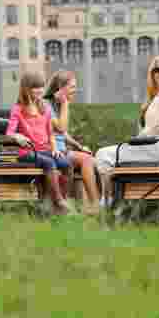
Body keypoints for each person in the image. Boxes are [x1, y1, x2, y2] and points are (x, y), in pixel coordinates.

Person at [94, 55, 159, 206]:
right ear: (152, 73)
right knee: (109, 154)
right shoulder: (157, 96)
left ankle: (106, 203)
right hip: (154, 145)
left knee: (103, 155)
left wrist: (137, 140)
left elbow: (157, 125)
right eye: (158, 70)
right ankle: (114, 199)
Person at [5, 70, 72, 215]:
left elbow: (50, 133)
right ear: (26, 89)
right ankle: (59, 202)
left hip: (45, 150)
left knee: (66, 163)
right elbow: (9, 133)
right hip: (27, 153)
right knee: (49, 163)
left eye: (42, 87)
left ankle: (62, 199)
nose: (40, 90)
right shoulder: (18, 109)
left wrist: (54, 148)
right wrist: (17, 137)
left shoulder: (45, 108)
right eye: (36, 87)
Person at [44, 70, 100, 214]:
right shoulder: (45, 105)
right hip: (51, 150)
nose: (75, 90)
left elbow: (62, 133)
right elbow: (61, 127)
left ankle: (89, 204)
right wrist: (65, 104)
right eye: (72, 87)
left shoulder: (56, 105)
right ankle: (94, 206)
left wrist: (79, 146)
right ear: (61, 88)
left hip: (62, 150)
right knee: (86, 160)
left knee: (92, 159)